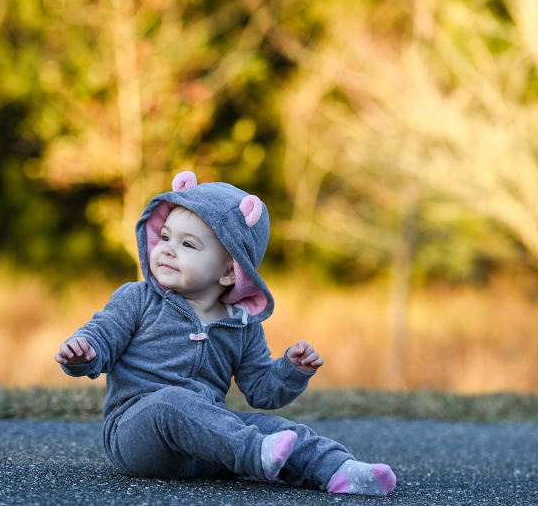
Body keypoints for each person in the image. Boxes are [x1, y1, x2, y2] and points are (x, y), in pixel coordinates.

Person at [54, 171, 396, 496]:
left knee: (282, 431)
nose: (169, 249)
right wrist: (85, 353)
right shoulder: (138, 299)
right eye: (165, 237)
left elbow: (261, 390)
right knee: (173, 402)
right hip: (138, 437)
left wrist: (291, 371)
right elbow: (102, 335)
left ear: (230, 272)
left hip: (210, 446)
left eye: (188, 245)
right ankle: (254, 454)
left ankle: (343, 471)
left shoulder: (242, 324)